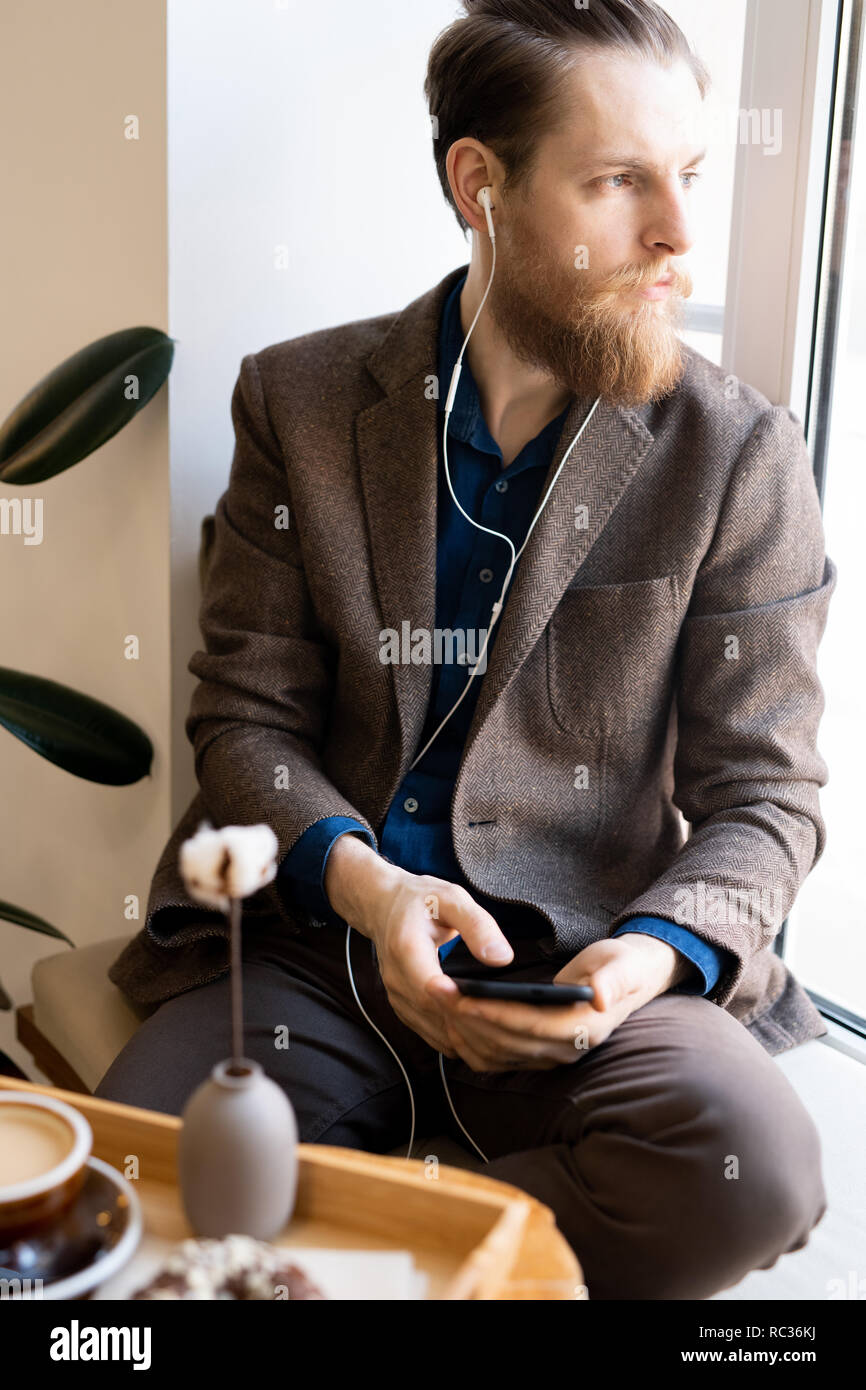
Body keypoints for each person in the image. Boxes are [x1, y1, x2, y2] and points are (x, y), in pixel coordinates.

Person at [99, 0, 835, 1299]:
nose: (676, 234)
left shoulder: (740, 454)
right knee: (153, 1181)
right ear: (478, 185)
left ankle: (383, 1238)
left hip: (596, 962)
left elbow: (764, 799)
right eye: (618, 182)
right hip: (322, 947)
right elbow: (246, 724)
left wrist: (648, 957)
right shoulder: (301, 400)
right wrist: (377, 896)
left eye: (691, 176)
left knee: (753, 1172)